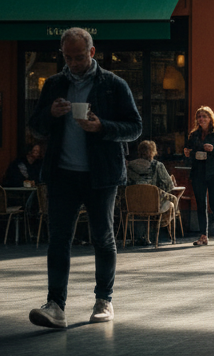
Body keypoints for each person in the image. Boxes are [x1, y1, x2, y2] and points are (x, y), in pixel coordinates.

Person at [26, 28, 142, 329]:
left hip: (101, 175)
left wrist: (102, 127)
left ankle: (104, 299)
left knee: (102, 237)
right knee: (58, 239)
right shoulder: (54, 84)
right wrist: (50, 114)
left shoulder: (113, 85)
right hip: (61, 174)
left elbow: (135, 127)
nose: (74, 63)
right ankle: (55, 305)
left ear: (92, 53)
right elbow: (35, 128)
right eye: (68, 57)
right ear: (62, 55)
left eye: (79, 57)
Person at [184, 106, 214, 246]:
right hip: (198, 172)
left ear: (210, 118)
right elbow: (189, 151)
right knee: (200, 204)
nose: (201, 119)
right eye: (199, 116)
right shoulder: (194, 134)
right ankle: (203, 236)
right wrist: (188, 152)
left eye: (204, 116)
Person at [126, 140, 177, 245]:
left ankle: (139, 236)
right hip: (152, 203)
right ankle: (158, 227)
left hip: (133, 204)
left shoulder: (129, 166)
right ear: (153, 152)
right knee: (173, 200)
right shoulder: (158, 165)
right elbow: (169, 185)